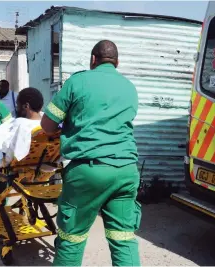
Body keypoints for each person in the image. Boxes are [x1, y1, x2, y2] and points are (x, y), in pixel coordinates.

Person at [41, 40, 141, 266]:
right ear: (117, 62)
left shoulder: (78, 82)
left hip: (88, 171)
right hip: (126, 171)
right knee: (123, 239)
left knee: (72, 237)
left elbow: (47, 125)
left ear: (93, 59)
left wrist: (67, 127)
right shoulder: (129, 87)